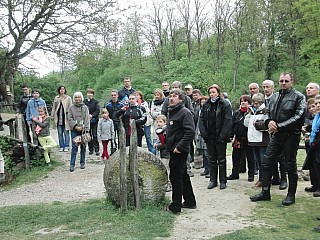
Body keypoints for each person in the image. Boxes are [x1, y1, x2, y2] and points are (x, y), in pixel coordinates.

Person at [250, 72, 306, 206]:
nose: (284, 83)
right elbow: (268, 112)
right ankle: (265, 192)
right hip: (276, 135)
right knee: (266, 162)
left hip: (291, 135)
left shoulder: (299, 97)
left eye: (286, 81)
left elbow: (298, 117)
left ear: (291, 82)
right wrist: (269, 121)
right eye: (281, 81)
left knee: (290, 165)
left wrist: (279, 126)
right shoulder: (274, 97)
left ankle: (291, 195)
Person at [164, 89, 196, 213]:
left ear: (181, 99)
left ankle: (175, 206)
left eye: (175, 96)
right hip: (173, 148)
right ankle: (190, 201)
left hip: (179, 150)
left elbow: (190, 132)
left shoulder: (184, 112)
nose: (171, 98)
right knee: (183, 175)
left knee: (175, 176)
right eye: (170, 96)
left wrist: (179, 147)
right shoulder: (171, 112)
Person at [199, 84, 232, 189]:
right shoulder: (206, 105)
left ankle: (223, 181)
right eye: (210, 93)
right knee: (212, 159)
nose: (212, 94)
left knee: (221, 159)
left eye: (213, 92)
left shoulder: (225, 104)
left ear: (218, 92)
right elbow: (201, 120)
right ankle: (213, 180)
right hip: (209, 136)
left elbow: (228, 121)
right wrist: (204, 134)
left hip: (220, 136)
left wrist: (222, 136)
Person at [263, 79, 287, 189]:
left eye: (268, 87)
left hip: (280, 130)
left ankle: (284, 180)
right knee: (270, 157)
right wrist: (268, 123)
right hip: (269, 132)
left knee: (282, 157)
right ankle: (275, 178)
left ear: (273, 88)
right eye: (264, 87)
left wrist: (277, 126)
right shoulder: (264, 100)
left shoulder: (278, 97)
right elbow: (267, 114)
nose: (266, 89)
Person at [227, 95, 255, 182]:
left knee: (250, 157)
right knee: (235, 157)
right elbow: (232, 125)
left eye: (245, 101)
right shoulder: (236, 113)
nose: (243, 103)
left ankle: (251, 175)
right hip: (238, 138)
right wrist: (231, 136)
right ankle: (235, 173)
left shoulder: (252, 113)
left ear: (249, 103)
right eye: (241, 101)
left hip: (249, 138)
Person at [244, 93, 268, 186]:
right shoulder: (252, 111)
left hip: (262, 140)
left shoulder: (265, 111)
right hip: (253, 140)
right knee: (258, 162)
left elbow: (265, 125)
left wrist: (257, 124)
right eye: (254, 103)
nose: (254, 105)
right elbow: (246, 124)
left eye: (257, 103)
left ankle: (264, 180)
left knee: (263, 161)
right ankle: (260, 179)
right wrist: (248, 113)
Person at [68, 92, 90, 172]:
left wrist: (85, 128)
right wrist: (75, 126)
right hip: (74, 130)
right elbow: (69, 118)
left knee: (83, 147)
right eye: (76, 97)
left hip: (83, 130)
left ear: (81, 98)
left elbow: (87, 118)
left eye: (79, 97)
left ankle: (82, 162)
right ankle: (72, 164)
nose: (77, 99)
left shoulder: (85, 107)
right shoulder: (71, 107)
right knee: (74, 147)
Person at [303, 98, 319, 193]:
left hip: (316, 143)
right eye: (310, 107)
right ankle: (315, 185)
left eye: (315, 105)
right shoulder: (317, 117)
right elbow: (313, 128)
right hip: (313, 144)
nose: (313, 108)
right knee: (313, 165)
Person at [50, 85, 72, 152]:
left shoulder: (68, 98)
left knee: (66, 133)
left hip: (66, 117)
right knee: (60, 133)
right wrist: (52, 115)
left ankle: (66, 146)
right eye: (61, 89)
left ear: (65, 90)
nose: (62, 90)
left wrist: (70, 116)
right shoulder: (56, 98)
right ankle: (61, 146)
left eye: (63, 89)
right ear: (59, 90)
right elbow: (54, 107)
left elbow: (70, 107)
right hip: (58, 117)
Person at [136, 90, 156, 155]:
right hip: (139, 123)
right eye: (136, 95)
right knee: (139, 137)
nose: (137, 96)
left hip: (146, 122)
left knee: (148, 137)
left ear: (141, 96)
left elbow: (147, 111)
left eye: (138, 95)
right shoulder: (134, 103)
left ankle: (152, 151)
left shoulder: (144, 103)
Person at [195, 96, 210, 177]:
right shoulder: (200, 111)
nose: (203, 103)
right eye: (201, 102)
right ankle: (206, 169)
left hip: (206, 133)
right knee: (203, 153)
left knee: (207, 153)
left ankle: (210, 170)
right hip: (200, 132)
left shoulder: (209, 110)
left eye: (204, 101)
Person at [84, 89, 100, 156]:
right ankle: (90, 149)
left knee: (95, 135)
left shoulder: (95, 102)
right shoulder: (84, 102)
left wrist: (92, 115)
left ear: (93, 94)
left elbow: (97, 110)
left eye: (91, 93)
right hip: (86, 121)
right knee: (88, 135)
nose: (89, 94)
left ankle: (97, 149)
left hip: (94, 121)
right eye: (88, 93)